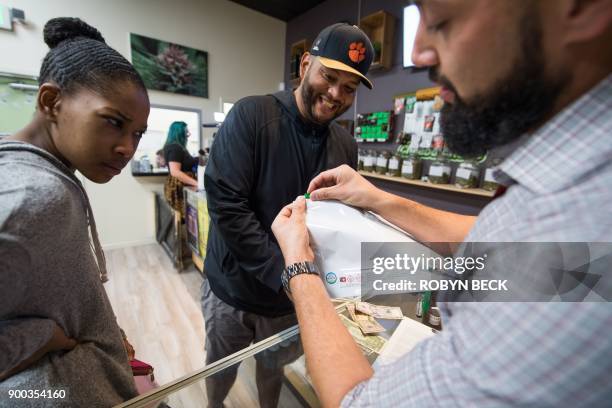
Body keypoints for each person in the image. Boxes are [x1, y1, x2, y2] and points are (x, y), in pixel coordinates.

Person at [271, 1, 612, 407]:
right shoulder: (563, 187)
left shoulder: (585, 229)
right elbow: (495, 240)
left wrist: (298, 265)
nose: (417, 54)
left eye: (442, 20)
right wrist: (378, 198)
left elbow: (357, 402)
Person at [202, 23, 374, 408]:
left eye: (349, 88)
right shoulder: (252, 115)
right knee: (219, 367)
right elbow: (228, 205)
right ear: (305, 65)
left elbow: (341, 221)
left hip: (290, 299)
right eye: (329, 77)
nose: (335, 94)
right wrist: (289, 276)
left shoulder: (345, 144)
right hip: (234, 290)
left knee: (273, 368)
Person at [0, 17, 150, 407]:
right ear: (51, 102)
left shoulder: (38, 170)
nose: (127, 148)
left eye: (137, 133)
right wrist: (41, 338)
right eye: (114, 123)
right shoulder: (36, 195)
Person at [163, 121, 198, 217]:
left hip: (179, 185)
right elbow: (175, 172)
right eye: (186, 131)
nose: (188, 134)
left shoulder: (177, 147)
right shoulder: (175, 147)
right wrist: (197, 184)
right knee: (185, 218)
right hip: (178, 187)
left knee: (184, 218)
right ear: (179, 132)